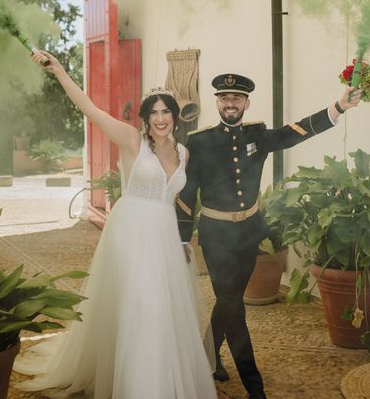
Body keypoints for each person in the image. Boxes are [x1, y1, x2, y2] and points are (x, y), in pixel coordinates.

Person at [13, 50, 217, 399]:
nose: (160, 118)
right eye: (153, 112)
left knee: (164, 309)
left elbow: (178, 201)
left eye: (166, 110)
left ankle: (165, 382)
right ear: (144, 118)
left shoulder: (183, 153)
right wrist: (60, 71)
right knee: (144, 303)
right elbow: (90, 110)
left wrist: (183, 241)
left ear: (175, 115)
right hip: (132, 231)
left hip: (165, 236)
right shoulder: (131, 140)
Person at [175, 73, 362, 399]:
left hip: (248, 232)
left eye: (236, 98)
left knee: (227, 301)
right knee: (235, 306)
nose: (230, 103)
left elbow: (293, 133)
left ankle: (208, 357)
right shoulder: (199, 141)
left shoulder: (257, 135)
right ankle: (254, 386)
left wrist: (338, 107)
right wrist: (181, 238)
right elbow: (187, 193)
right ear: (217, 102)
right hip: (216, 236)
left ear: (246, 102)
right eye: (224, 97)